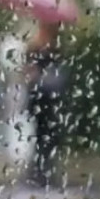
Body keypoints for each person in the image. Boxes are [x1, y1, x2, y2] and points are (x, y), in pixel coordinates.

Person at [24, 21, 67, 187]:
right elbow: (29, 71)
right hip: (40, 96)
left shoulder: (54, 47)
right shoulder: (35, 46)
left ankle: (45, 169)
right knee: (41, 133)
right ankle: (39, 170)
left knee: (49, 134)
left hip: (50, 96)